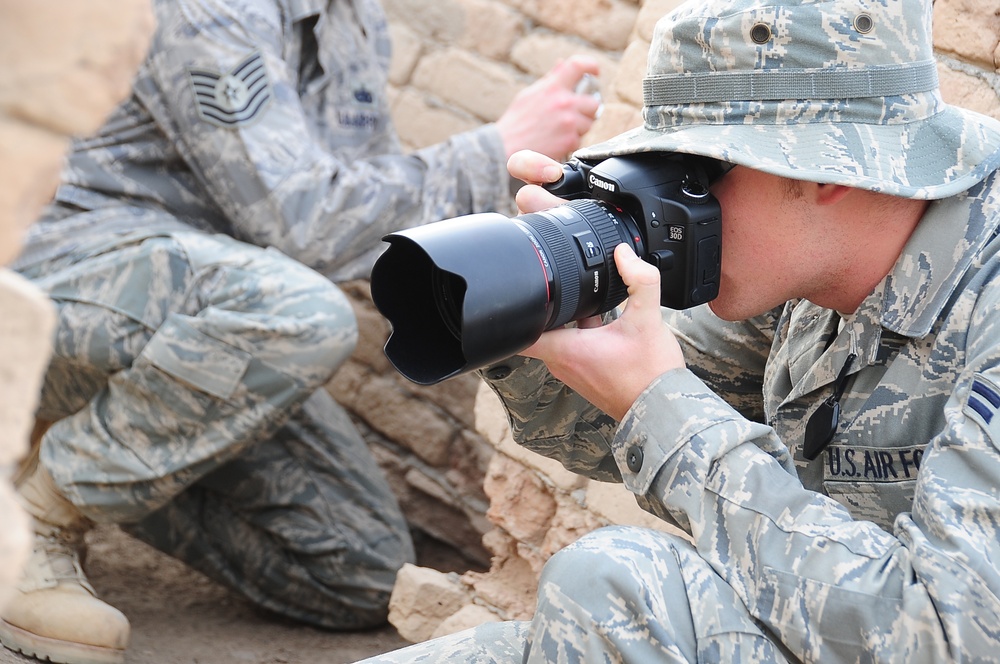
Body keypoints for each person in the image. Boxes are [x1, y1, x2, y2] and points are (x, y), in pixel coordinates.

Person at [354, 0, 1000, 661]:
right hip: (793, 631)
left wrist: (660, 405)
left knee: (618, 583)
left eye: (696, 171)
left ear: (828, 170)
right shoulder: (804, 266)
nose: (672, 205)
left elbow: (952, 639)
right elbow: (613, 431)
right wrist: (543, 312)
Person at [0, 0, 600, 662]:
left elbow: (357, 216)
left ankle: (75, 433)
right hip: (61, 270)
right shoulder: (211, 10)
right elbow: (302, 223)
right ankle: (37, 524)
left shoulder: (353, 16)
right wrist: (495, 147)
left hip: (198, 317)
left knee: (358, 570)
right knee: (301, 319)